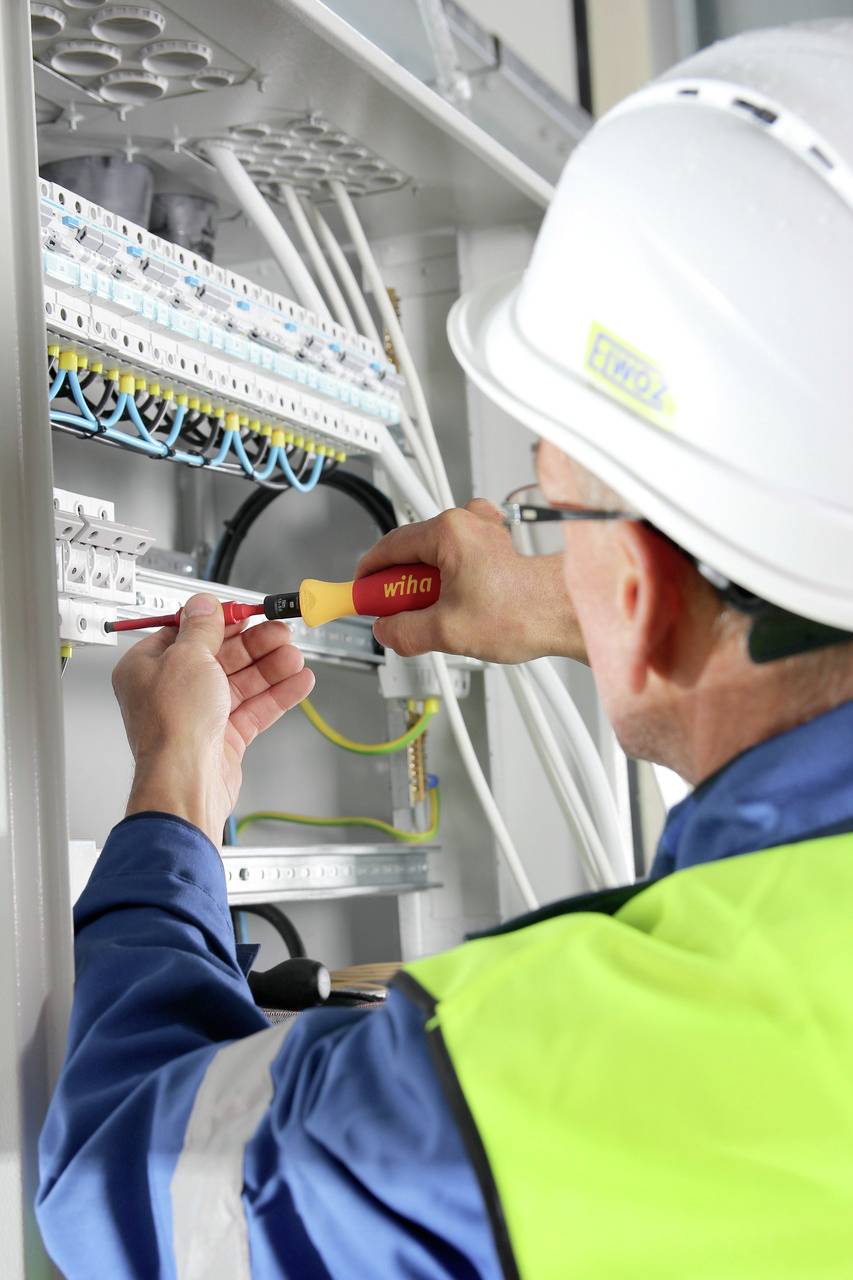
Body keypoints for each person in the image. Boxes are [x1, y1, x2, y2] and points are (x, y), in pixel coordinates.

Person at [37, 19, 853, 1280]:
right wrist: (572, 598)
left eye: (550, 510)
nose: (541, 546)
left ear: (640, 582)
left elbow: (113, 1176)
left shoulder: (537, 1080)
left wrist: (176, 800)